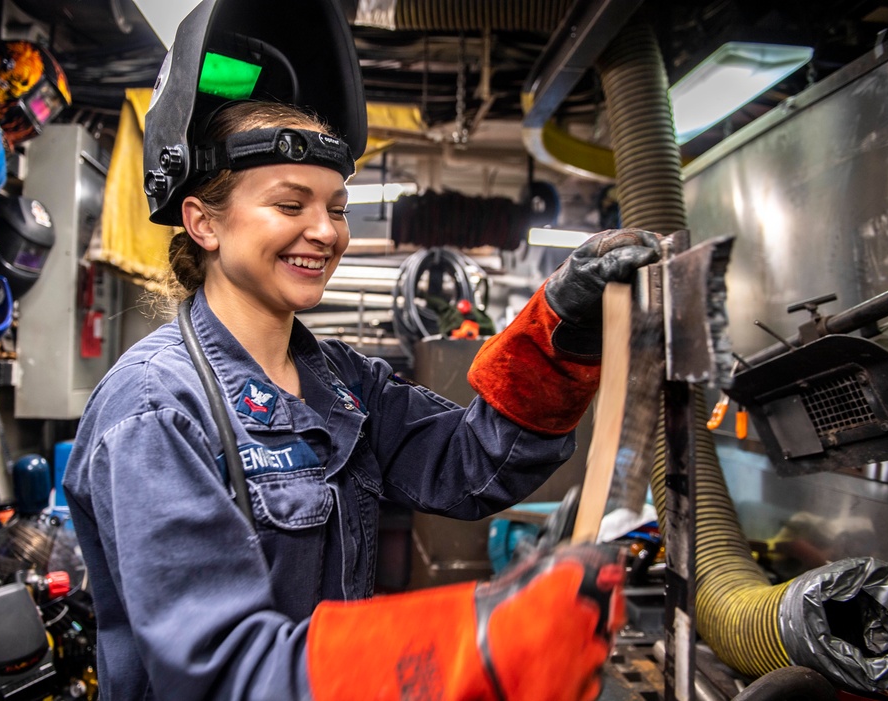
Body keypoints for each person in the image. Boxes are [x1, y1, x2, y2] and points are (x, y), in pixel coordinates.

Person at [62, 96, 660, 700]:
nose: (326, 231)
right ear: (204, 223)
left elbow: (472, 464)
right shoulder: (154, 411)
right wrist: (475, 642)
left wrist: (559, 334)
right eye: (290, 204)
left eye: (337, 208)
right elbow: (222, 672)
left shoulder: (340, 380)